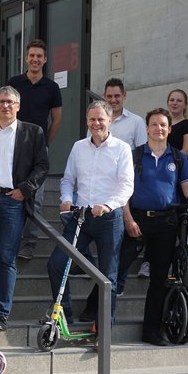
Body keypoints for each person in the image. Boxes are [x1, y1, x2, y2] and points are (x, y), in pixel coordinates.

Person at [117, 108, 188, 346]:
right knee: (114, 271)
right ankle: (96, 317)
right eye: (154, 124)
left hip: (167, 223)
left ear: (169, 129)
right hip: (136, 220)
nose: (159, 128)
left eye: (163, 125)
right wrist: (128, 219)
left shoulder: (178, 158)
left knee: (158, 280)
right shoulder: (134, 154)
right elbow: (123, 191)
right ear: (147, 128)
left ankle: (151, 331)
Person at [47, 101, 133, 326]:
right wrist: (66, 198)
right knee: (56, 263)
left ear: (110, 120)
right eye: (92, 119)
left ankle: (104, 327)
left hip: (109, 219)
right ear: (87, 121)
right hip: (81, 217)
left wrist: (108, 204)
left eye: (100, 119)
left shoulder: (122, 149)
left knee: (108, 276)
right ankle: (64, 313)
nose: (96, 124)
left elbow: (126, 186)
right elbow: (67, 180)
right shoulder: (78, 147)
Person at [0, 86, 49, 332]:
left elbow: (43, 165)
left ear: (18, 106)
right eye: (1, 101)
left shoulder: (32, 132)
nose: (5, 106)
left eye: (10, 102)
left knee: (6, 259)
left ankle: (0, 314)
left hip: (13, 202)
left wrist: (25, 189)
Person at [8, 39, 62, 261]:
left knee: (36, 199)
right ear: (27, 58)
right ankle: (10, 240)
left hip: (38, 150)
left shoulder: (51, 87)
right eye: (32, 55)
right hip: (13, 146)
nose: (35, 59)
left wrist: (45, 143)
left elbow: (56, 120)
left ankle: (28, 244)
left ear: (45, 59)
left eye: (39, 56)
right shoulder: (14, 83)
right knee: (10, 194)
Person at [103, 77, 148, 290]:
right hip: (102, 184)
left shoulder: (136, 122)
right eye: (109, 96)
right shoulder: (98, 119)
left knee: (122, 237)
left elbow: (141, 156)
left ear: (124, 96)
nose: (113, 100)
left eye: (117, 96)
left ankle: (117, 281)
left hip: (125, 185)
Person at [167, 89, 188, 189]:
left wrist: (163, 161)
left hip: (184, 173)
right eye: (172, 100)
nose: (175, 103)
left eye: (179, 100)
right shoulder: (163, 126)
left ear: (185, 105)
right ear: (168, 103)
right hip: (165, 172)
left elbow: (187, 152)